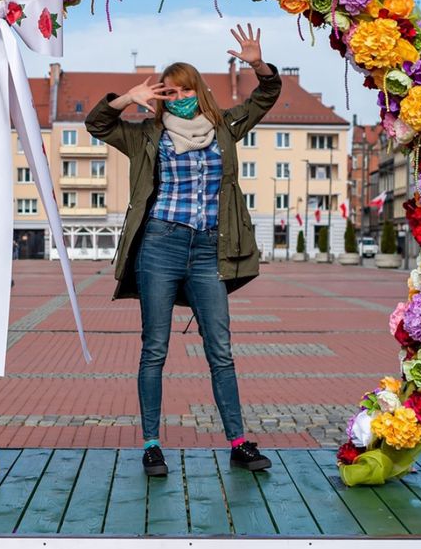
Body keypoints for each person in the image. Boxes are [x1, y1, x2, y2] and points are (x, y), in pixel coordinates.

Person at [86, 24, 280, 477]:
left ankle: (238, 441)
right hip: (160, 245)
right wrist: (126, 98)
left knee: (221, 348)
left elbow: (267, 93)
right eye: (168, 94)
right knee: (155, 348)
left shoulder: (226, 127)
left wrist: (255, 62)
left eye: (182, 91)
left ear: (198, 89)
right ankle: (152, 444)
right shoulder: (145, 135)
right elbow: (97, 124)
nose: (176, 99)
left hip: (210, 249)